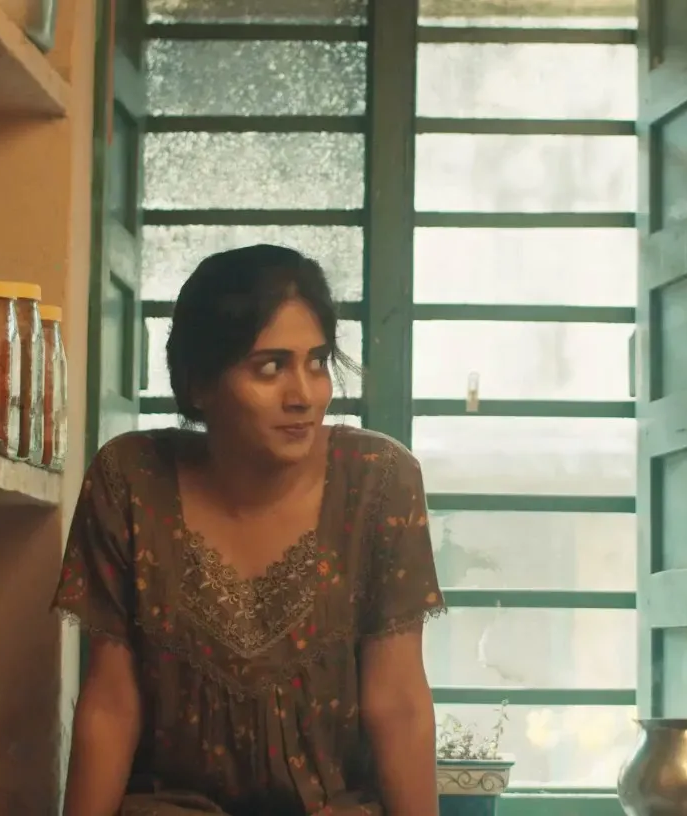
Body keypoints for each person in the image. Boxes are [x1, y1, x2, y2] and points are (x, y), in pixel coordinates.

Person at [52, 244, 445, 816]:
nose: (303, 395)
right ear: (199, 384)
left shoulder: (379, 481)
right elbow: (111, 704)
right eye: (270, 367)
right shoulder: (130, 480)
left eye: (317, 363)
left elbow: (399, 703)